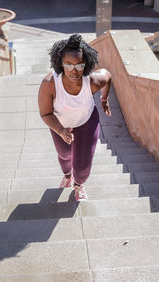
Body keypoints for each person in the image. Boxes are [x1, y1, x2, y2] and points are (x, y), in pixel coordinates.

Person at [38, 33, 111, 201]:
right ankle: (67, 175)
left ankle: (78, 185)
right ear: (60, 63)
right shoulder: (50, 83)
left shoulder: (91, 81)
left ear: (86, 64)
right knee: (64, 154)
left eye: (79, 65)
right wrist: (61, 130)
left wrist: (104, 99)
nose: (74, 70)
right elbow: (45, 113)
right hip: (60, 125)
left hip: (86, 122)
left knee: (83, 166)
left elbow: (107, 76)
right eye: (68, 64)